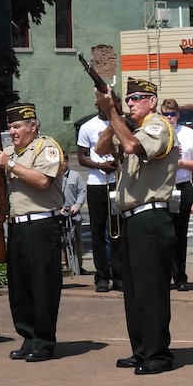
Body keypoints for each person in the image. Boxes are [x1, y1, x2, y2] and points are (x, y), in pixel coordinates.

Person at [95, 78, 179, 375]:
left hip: (151, 216)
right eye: (128, 99)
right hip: (132, 218)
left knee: (151, 288)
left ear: (153, 100)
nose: (131, 103)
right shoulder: (133, 126)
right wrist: (111, 115)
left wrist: (114, 113)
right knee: (133, 289)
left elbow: (131, 146)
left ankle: (159, 353)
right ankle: (141, 349)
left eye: (137, 98)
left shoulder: (158, 127)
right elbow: (101, 147)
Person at [0, 103, 66, 362]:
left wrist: (10, 164)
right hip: (18, 225)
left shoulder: (46, 147)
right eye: (9, 127)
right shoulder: (9, 152)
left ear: (33, 126)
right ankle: (28, 336)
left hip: (42, 224)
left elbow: (43, 181)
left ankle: (44, 341)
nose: (12, 131)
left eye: (17, 126)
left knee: (42, 285)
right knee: (20, 287)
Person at [161, 98, 193, 292]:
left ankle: (180, 277)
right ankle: (162, 276)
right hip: (162, 187)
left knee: (180, 235)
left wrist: (182, 164)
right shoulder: (157, 132)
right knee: (163, 235)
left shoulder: (188, 134)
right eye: (166, 114)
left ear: (178, 115)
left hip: (183, 184)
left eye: (173, 114)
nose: (170, 118)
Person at [77, 104, 122, 293]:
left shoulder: (120, 123)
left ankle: (119, 275)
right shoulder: (88, 126)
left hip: (117, 181)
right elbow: (81, 157)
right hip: (97, 183)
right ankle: (102, 276)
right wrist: (99, 165)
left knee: (117, 230)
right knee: (97, 231)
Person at [60, 152, 87, 274]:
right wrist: (58, 207)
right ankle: (64, 265)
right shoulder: (54, 176)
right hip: (60, 214)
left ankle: (79, 265)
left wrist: (77, 205)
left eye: (64, 161)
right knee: (61, 241)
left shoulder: (75, 175)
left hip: (74, 214)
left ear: (67, 161)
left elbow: (82, 191)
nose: (62, 164)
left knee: (77, 239)